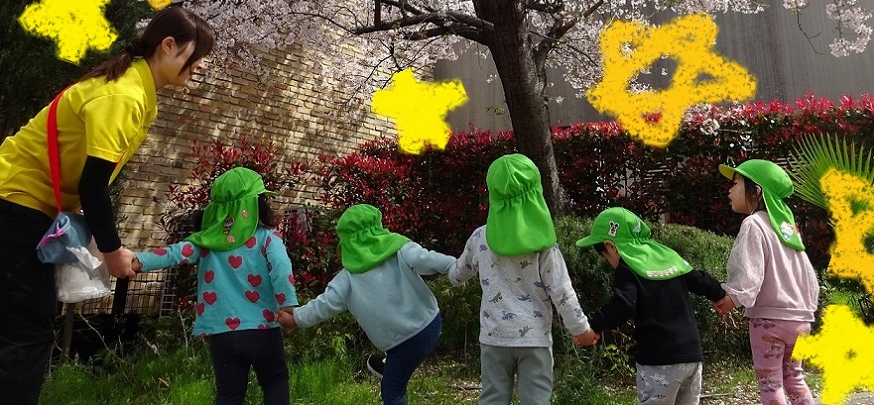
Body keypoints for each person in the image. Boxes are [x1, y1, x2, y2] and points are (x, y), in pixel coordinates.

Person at [0, 4, 214, 405]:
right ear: (169, 46)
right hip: (17, 205)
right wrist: (112, 253)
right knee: (24, 336)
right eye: (195, 56)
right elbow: (94, 183)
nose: (198, 67)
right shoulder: (124, 95)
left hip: (19, 202)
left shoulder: (131, 87)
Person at [133, 167, 297, 404]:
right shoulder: (268, 237)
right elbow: (282, 269)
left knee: (229, 394)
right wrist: (288, 305)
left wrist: (140, 262)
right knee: (274, 381)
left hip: (222, 334)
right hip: (263, 329)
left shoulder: (207, 241)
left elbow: (175, 253)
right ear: (255, 205)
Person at [449, 152, 597, 405]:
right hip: (535, 339)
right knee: (536, 400)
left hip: (495, 337)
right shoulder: (543, 245)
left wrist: (446, 271)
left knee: (493, 398)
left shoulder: (479, 238)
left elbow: (458, 274)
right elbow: (562, 291)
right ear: (535, 194)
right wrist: (581, 329)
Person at [277, 203, 454, 405]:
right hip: (430, 324)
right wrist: (456, 266)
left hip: (402, 343)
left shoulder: (345, 281)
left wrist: (296, 318)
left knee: (392, 393)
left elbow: (322, 306)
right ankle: (389, 366)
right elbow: (427, 259)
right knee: (398, 364)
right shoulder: (401, 250)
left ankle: (391, 369)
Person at [576, 207, 726, 405]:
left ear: (610, 246)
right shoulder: (667, 256)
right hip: (691, 356)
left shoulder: (627, 268)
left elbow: (624, 305)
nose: (608, 262)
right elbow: (698, 279)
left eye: (605, 256)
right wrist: (720, 295)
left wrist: (594, 326)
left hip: (659, 360)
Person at [715, 159, 819, 405]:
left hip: (769, 320)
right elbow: (808, 275)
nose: (729, 190)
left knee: (771, 383)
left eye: (736, 182)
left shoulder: (754, 223)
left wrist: (733, 298)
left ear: (757, 190)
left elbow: (750, 274)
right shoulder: (787, 228)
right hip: (801, 319)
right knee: (795, 379)